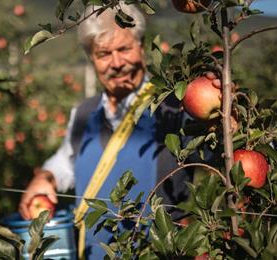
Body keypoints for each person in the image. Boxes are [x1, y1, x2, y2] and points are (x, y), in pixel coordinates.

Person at [19, 3, 196, 259]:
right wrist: (47, 176)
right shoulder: (83, 113)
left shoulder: (175, 109)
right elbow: (65, 162)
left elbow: (225, 157)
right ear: (91, 58)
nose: (116, 63)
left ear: (141, 46)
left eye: (124, 48)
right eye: (103, 53)